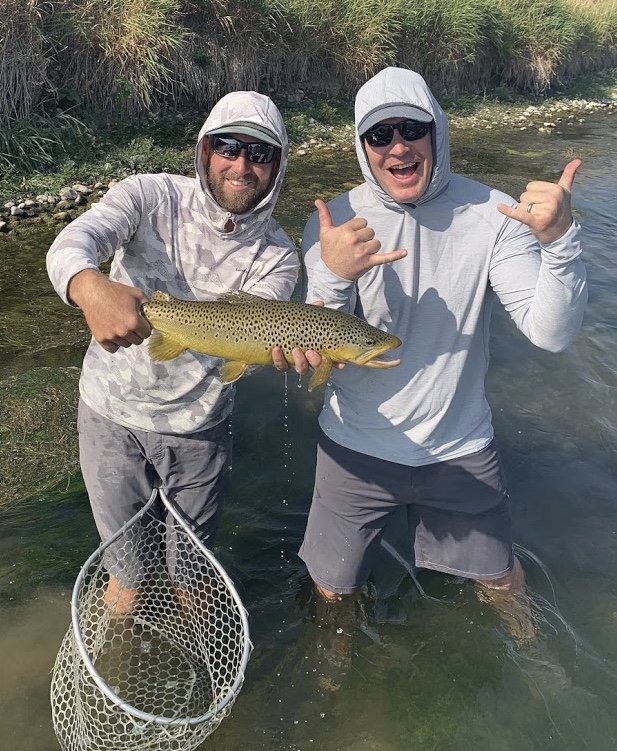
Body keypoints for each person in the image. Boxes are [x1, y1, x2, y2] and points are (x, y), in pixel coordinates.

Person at [274, 66, 587, 622]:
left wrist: (561, 242)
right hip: (353, 448)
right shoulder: (333, 221)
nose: (397, 146)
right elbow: (317, 341)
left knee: (502, 584)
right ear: (361, 145)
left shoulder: (497, 215)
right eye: (379, 135)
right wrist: (333, 274)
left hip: (460, 448)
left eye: (411, 129)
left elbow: (552, 333)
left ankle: (543, 672)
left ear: (437, 132)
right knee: (332, 593)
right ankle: (333, 685)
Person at [47, 90, 299, 613]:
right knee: (126, 579)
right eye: (228, 146)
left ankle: (192, 641)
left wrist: (284, 350)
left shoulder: (279, 256)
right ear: (205, 149)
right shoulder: (148, 195)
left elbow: (257, 334)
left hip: (200, 431)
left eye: (260, 153)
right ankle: (122, 638)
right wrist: (89, 287)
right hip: (110, 416)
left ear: (278, 166)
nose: (241, 164)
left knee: (192, 577)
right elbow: (72, 243)